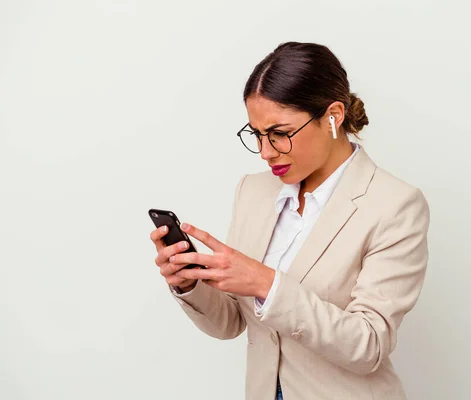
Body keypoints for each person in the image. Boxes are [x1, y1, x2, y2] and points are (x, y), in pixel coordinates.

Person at [150, 41, 430, 400]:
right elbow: (232, 322)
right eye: (257, 135)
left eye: (280, 134)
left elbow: (370, 345)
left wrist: (267, 284)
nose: (266, 152)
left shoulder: (395, 205)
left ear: (333, 115)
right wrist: (189, 283)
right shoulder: (253, 191)